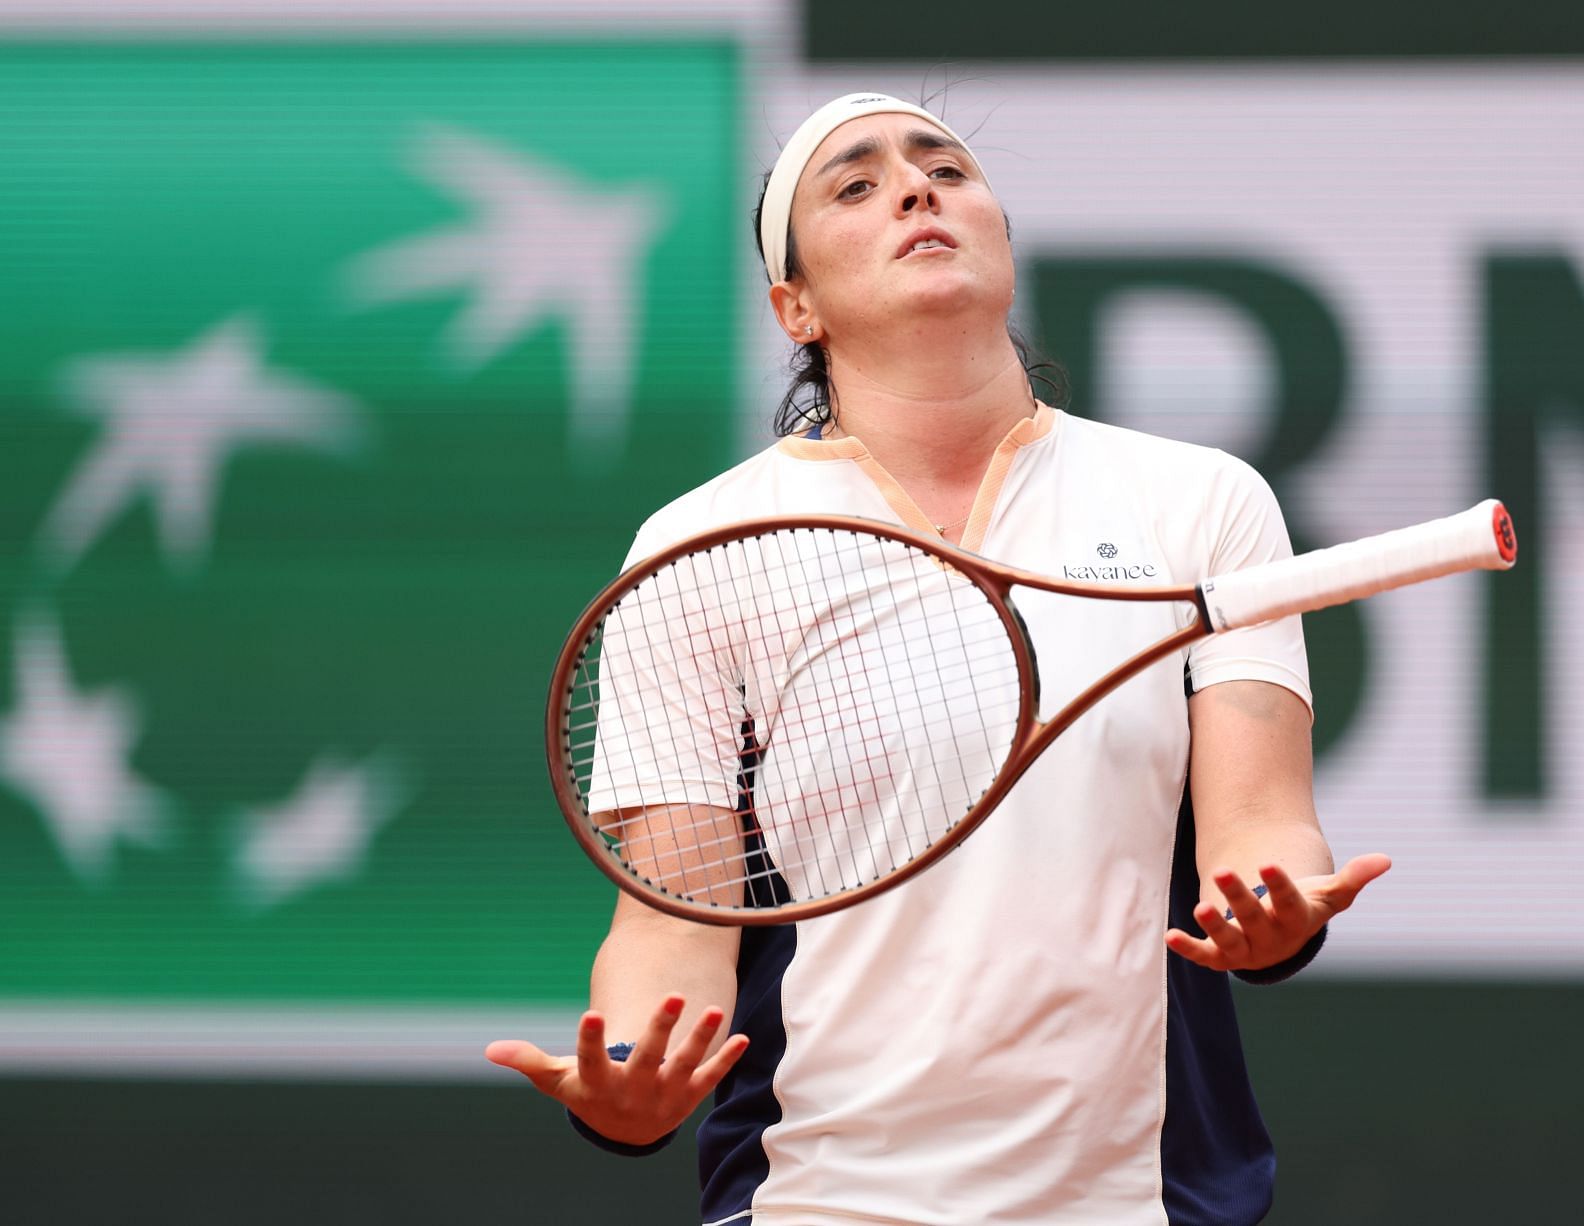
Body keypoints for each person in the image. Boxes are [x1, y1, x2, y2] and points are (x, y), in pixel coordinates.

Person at [486, 92, 1391, 1225]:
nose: (917, 188)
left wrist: (1276, 910)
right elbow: (677, 922)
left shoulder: (1199, 502)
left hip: (1135, 1199)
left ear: (1002, 239)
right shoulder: (696, 552)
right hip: (817, 1200)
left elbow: (1262, 828)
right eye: (855, 186)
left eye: (946, 169)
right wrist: (627, 1080)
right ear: (795, 303)